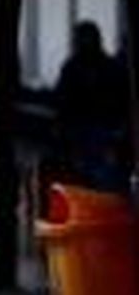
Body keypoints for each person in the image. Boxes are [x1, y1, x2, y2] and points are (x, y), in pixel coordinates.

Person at [53, 20, 130, 193]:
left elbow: (121, 99)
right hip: (85, 130)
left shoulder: (107, 66)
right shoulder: (74, 67)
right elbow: (62, 100)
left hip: (100, 130)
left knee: (98, 177)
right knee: (88, 177)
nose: (83, 42)